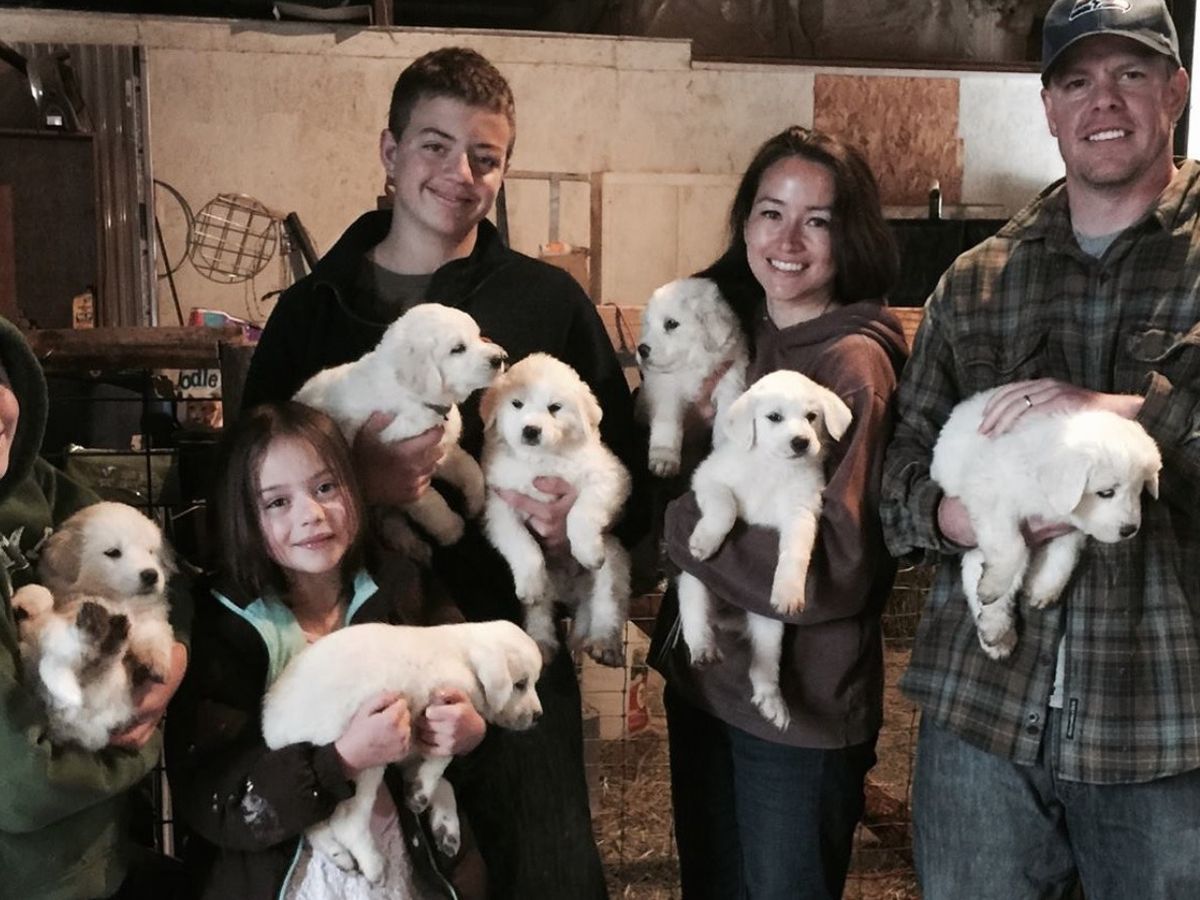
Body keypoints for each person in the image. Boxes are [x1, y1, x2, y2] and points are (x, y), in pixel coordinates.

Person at [239, 47, 643, 898]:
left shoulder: (545, 304)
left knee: (544, 874)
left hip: (509, 645)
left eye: (485, 157)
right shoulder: (313, 314)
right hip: (353, 665)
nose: (460, 174)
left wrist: (577, 523)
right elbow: (243, 484)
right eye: (435, 146)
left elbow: (624, 461)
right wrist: (363, 485)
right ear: (390, 152)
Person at [879, 1, 1200, 897]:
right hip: (983, 720)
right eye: (1077, 80)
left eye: (1131, 74)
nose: (1105, 101)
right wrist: (960, 518)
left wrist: (1107, 406)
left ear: (1175, 91)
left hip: (1163, 723)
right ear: (1050, 107)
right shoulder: (979, 279)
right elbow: (900, 471)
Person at [649, 126, 907, 899]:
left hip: (800, 710)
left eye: (816, 220)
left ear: (850, 236)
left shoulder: (853, 367)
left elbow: (840, 564)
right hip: (710, 684)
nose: (787, 241)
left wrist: (680, 535)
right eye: (771, 213)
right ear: (745, 223)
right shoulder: (745, 336)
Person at [166, 402, 488, 899]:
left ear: (353, 486)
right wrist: (339, 761)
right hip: (284, 881)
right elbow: (214, 797)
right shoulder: (223, 629)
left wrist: (466, 733)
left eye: (325, 488)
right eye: (277, 502)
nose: (311, 515)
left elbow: (466, 703)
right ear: (242, 514)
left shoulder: (403, 590)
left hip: (404, 870)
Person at [0, 313, 189, 900]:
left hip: (100, 858)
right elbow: (25, 786)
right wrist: (141, 739)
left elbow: (160, 577)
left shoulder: (38, 485)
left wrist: (174, 660)